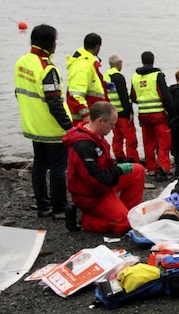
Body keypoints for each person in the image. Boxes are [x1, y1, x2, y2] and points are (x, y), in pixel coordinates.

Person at [14, 23, 72, 219]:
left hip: (33, 126)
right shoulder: (47, 68)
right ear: (49, 44)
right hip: (52, 129)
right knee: (58, 168)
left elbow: (19, 93)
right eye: (55, 41)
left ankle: (42, 205)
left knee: (39, 165)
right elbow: (55, 102)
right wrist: (70, 127)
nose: (56, 44)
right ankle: (59, 208)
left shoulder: (22, 62)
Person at [62, 102, 145, 234]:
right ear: (100, 121)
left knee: (138, 170)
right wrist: (118, 171)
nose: (113, 128)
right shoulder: (84, 145)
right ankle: (84, 220)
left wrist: (116, 169)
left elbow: (102, 169)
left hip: (104, 186)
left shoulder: (96, 137)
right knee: (124, 225)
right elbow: (94, 181)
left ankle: (127, 211)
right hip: (91, 195)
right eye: (111, 124)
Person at [131, 51, 174, 181]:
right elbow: (165, 96)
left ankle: (151, 169)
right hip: (158, 114)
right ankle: (163, 169)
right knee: (163, 142)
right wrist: (171, 111)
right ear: (153, 61)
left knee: (148, 142)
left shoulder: (135, 76)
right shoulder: (157, 75)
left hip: (143, 114)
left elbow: (133, 97)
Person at [102, 54, 139, 163]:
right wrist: (130, 112)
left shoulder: (105, 76)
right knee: (130, 138)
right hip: (122, 113)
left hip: (112, 113)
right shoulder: (118, 76)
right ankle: (132, 158)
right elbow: (123, 96)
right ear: (118, 64)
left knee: (117, 136)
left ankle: (119, 156)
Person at [66, 33, 108, 126]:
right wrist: (87, 117)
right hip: (84, 123)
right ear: (97, 47)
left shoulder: (88, 63)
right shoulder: (83, 65)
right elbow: (76, 95)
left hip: (92, 121)